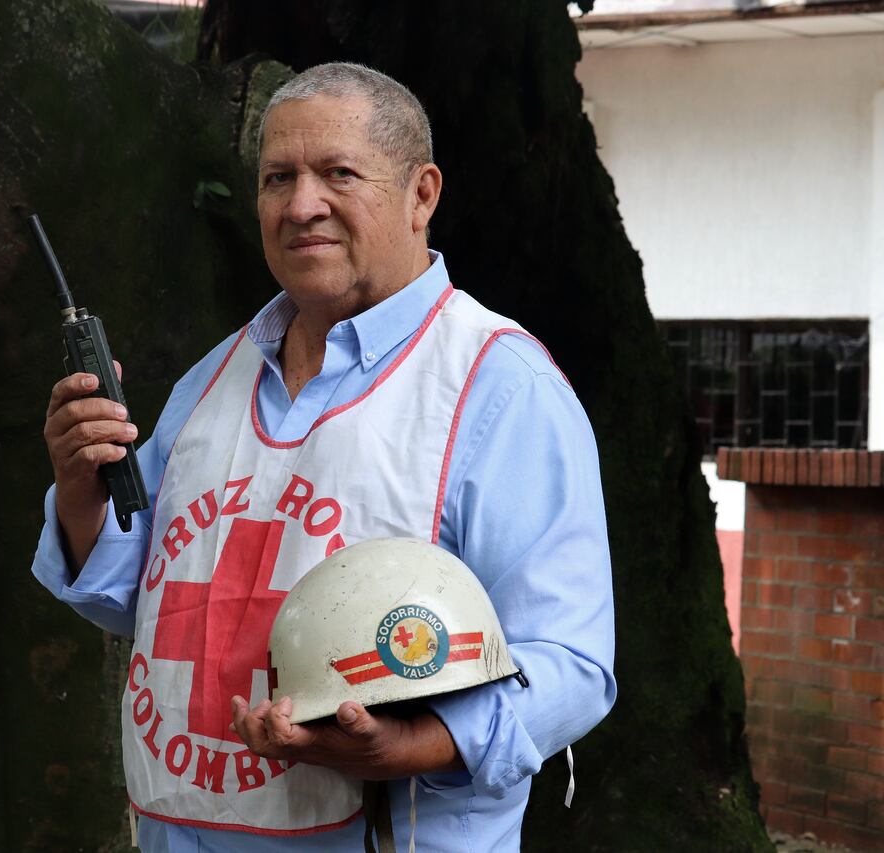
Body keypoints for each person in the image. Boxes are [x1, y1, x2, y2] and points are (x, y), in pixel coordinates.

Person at [33, 62, 616, 851]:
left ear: (422, 195)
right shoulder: (212, 382)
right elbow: (145, 606)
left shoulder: (498, 387)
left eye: (338, 172)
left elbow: (572, 660)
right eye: (279, 177)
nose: (302, 204)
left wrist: (412, 745)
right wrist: (81, 495)